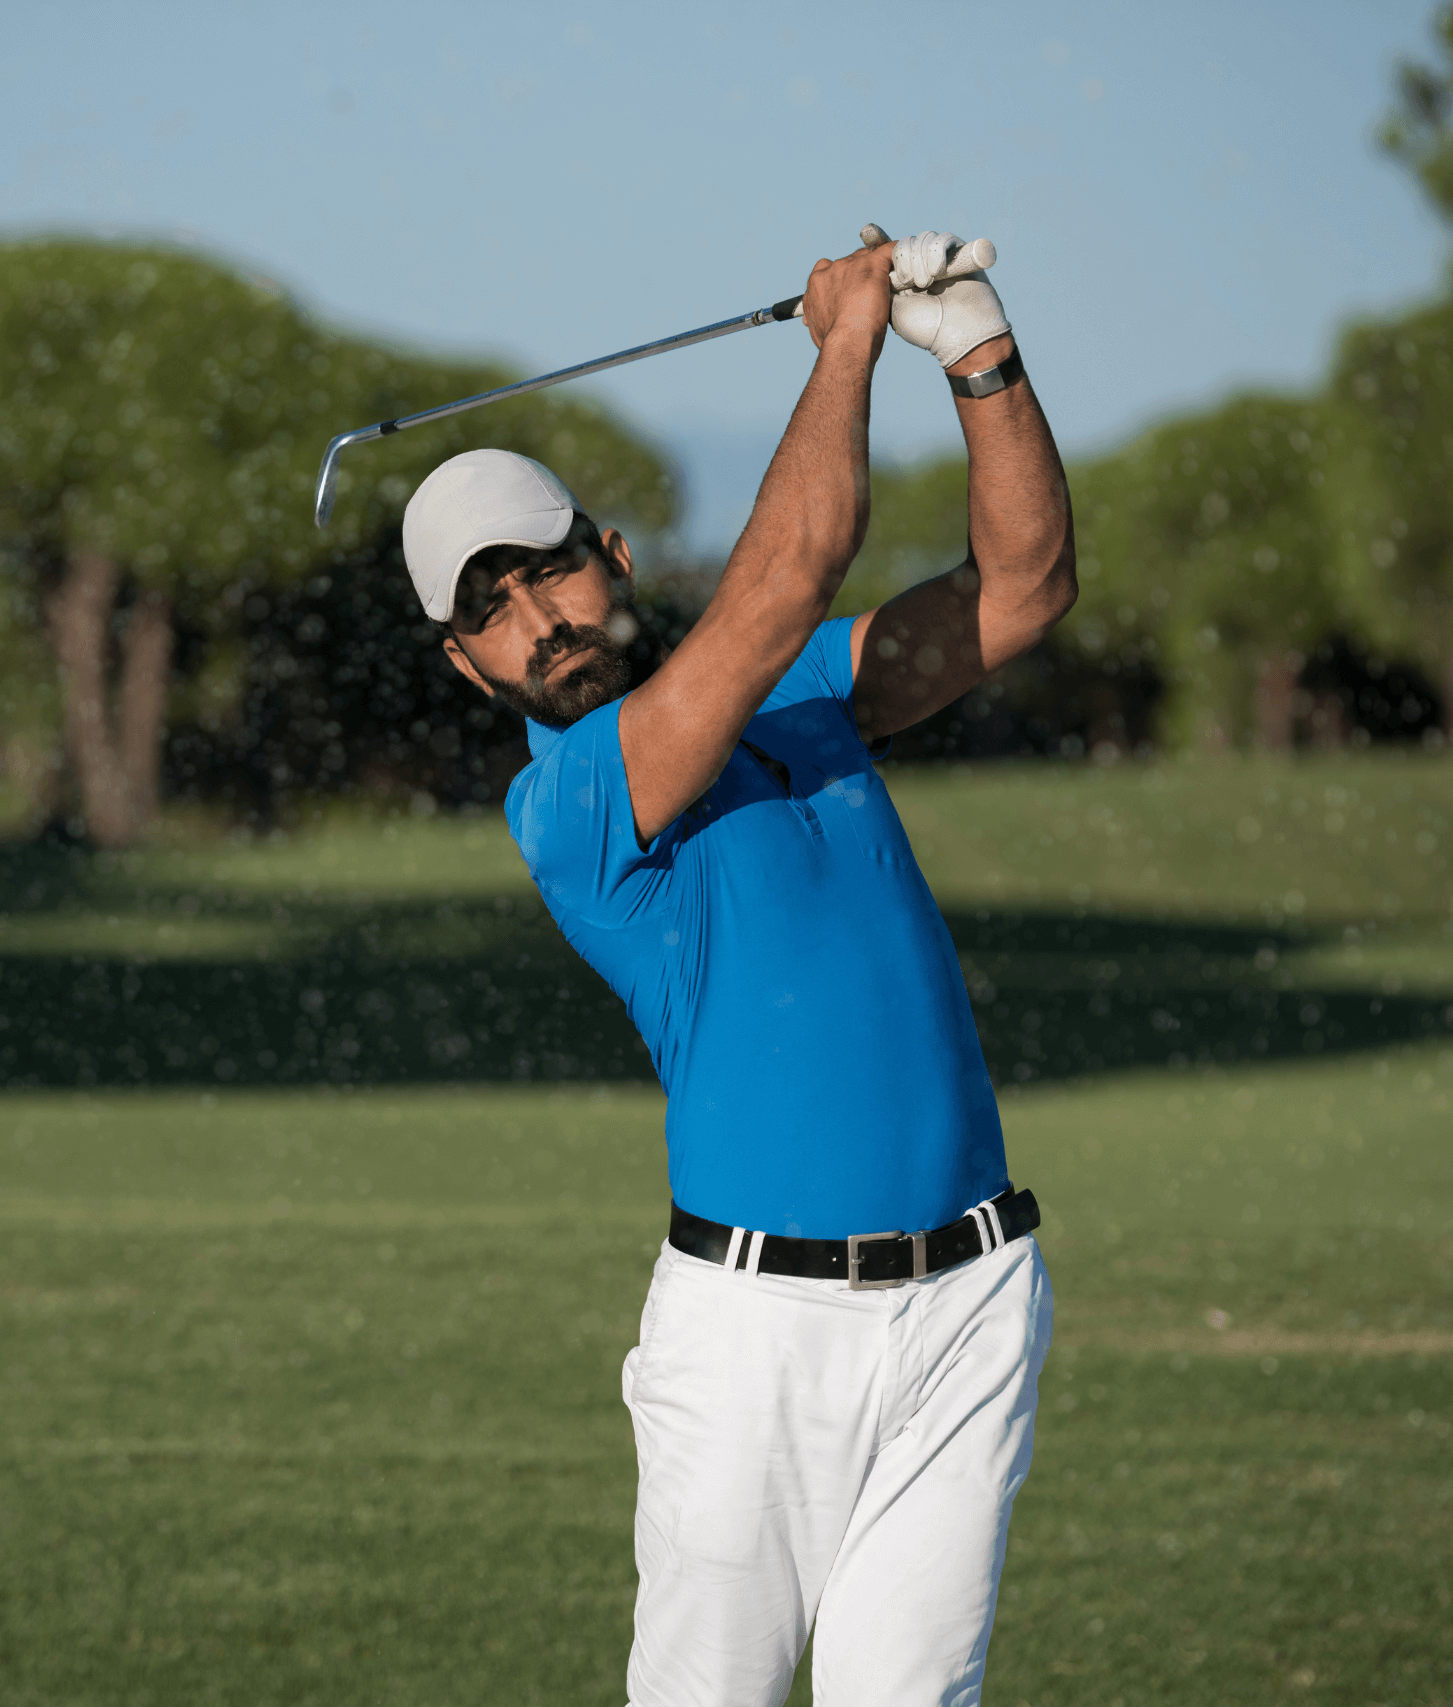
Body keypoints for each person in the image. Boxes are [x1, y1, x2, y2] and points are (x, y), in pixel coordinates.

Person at [397, 230, 1076, 1706]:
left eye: (548, 572)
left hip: (971, 1299)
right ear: (464, 664)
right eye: (488, 610)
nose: (538, 622)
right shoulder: (575, 799)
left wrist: (979, 354)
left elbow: (1024, 588)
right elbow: (785, 578)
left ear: (613, 557)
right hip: (758, 1338)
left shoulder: (805, 694)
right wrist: (845, 344)